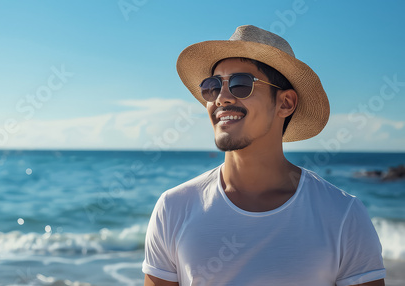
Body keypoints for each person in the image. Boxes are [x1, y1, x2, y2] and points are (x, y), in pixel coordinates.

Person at [142, 25, 386, 286]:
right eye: (212, 86)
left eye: (240, 84)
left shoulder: (343, 215)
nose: (221, 98)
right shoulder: (173, 208)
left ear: (285, 103)